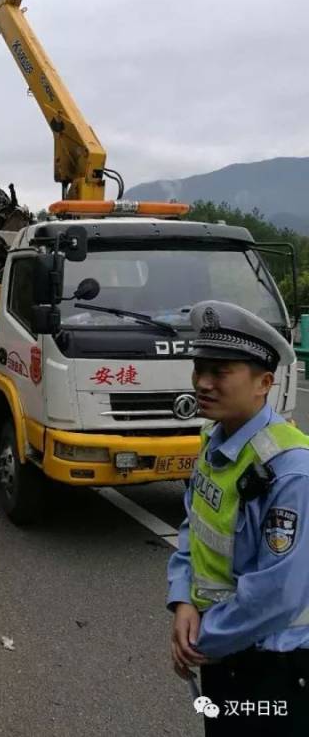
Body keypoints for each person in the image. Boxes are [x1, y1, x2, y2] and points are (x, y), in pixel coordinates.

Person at [166, 300, 309, 735]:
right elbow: (196, 523)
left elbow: (277, 594)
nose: (203, 384)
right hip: (224, 649)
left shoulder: (291, 471)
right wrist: (183, 599)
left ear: (264, 382)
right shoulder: (214, 437)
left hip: (273, 667)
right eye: (199, 369)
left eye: (221, 371)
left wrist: (200, 640)